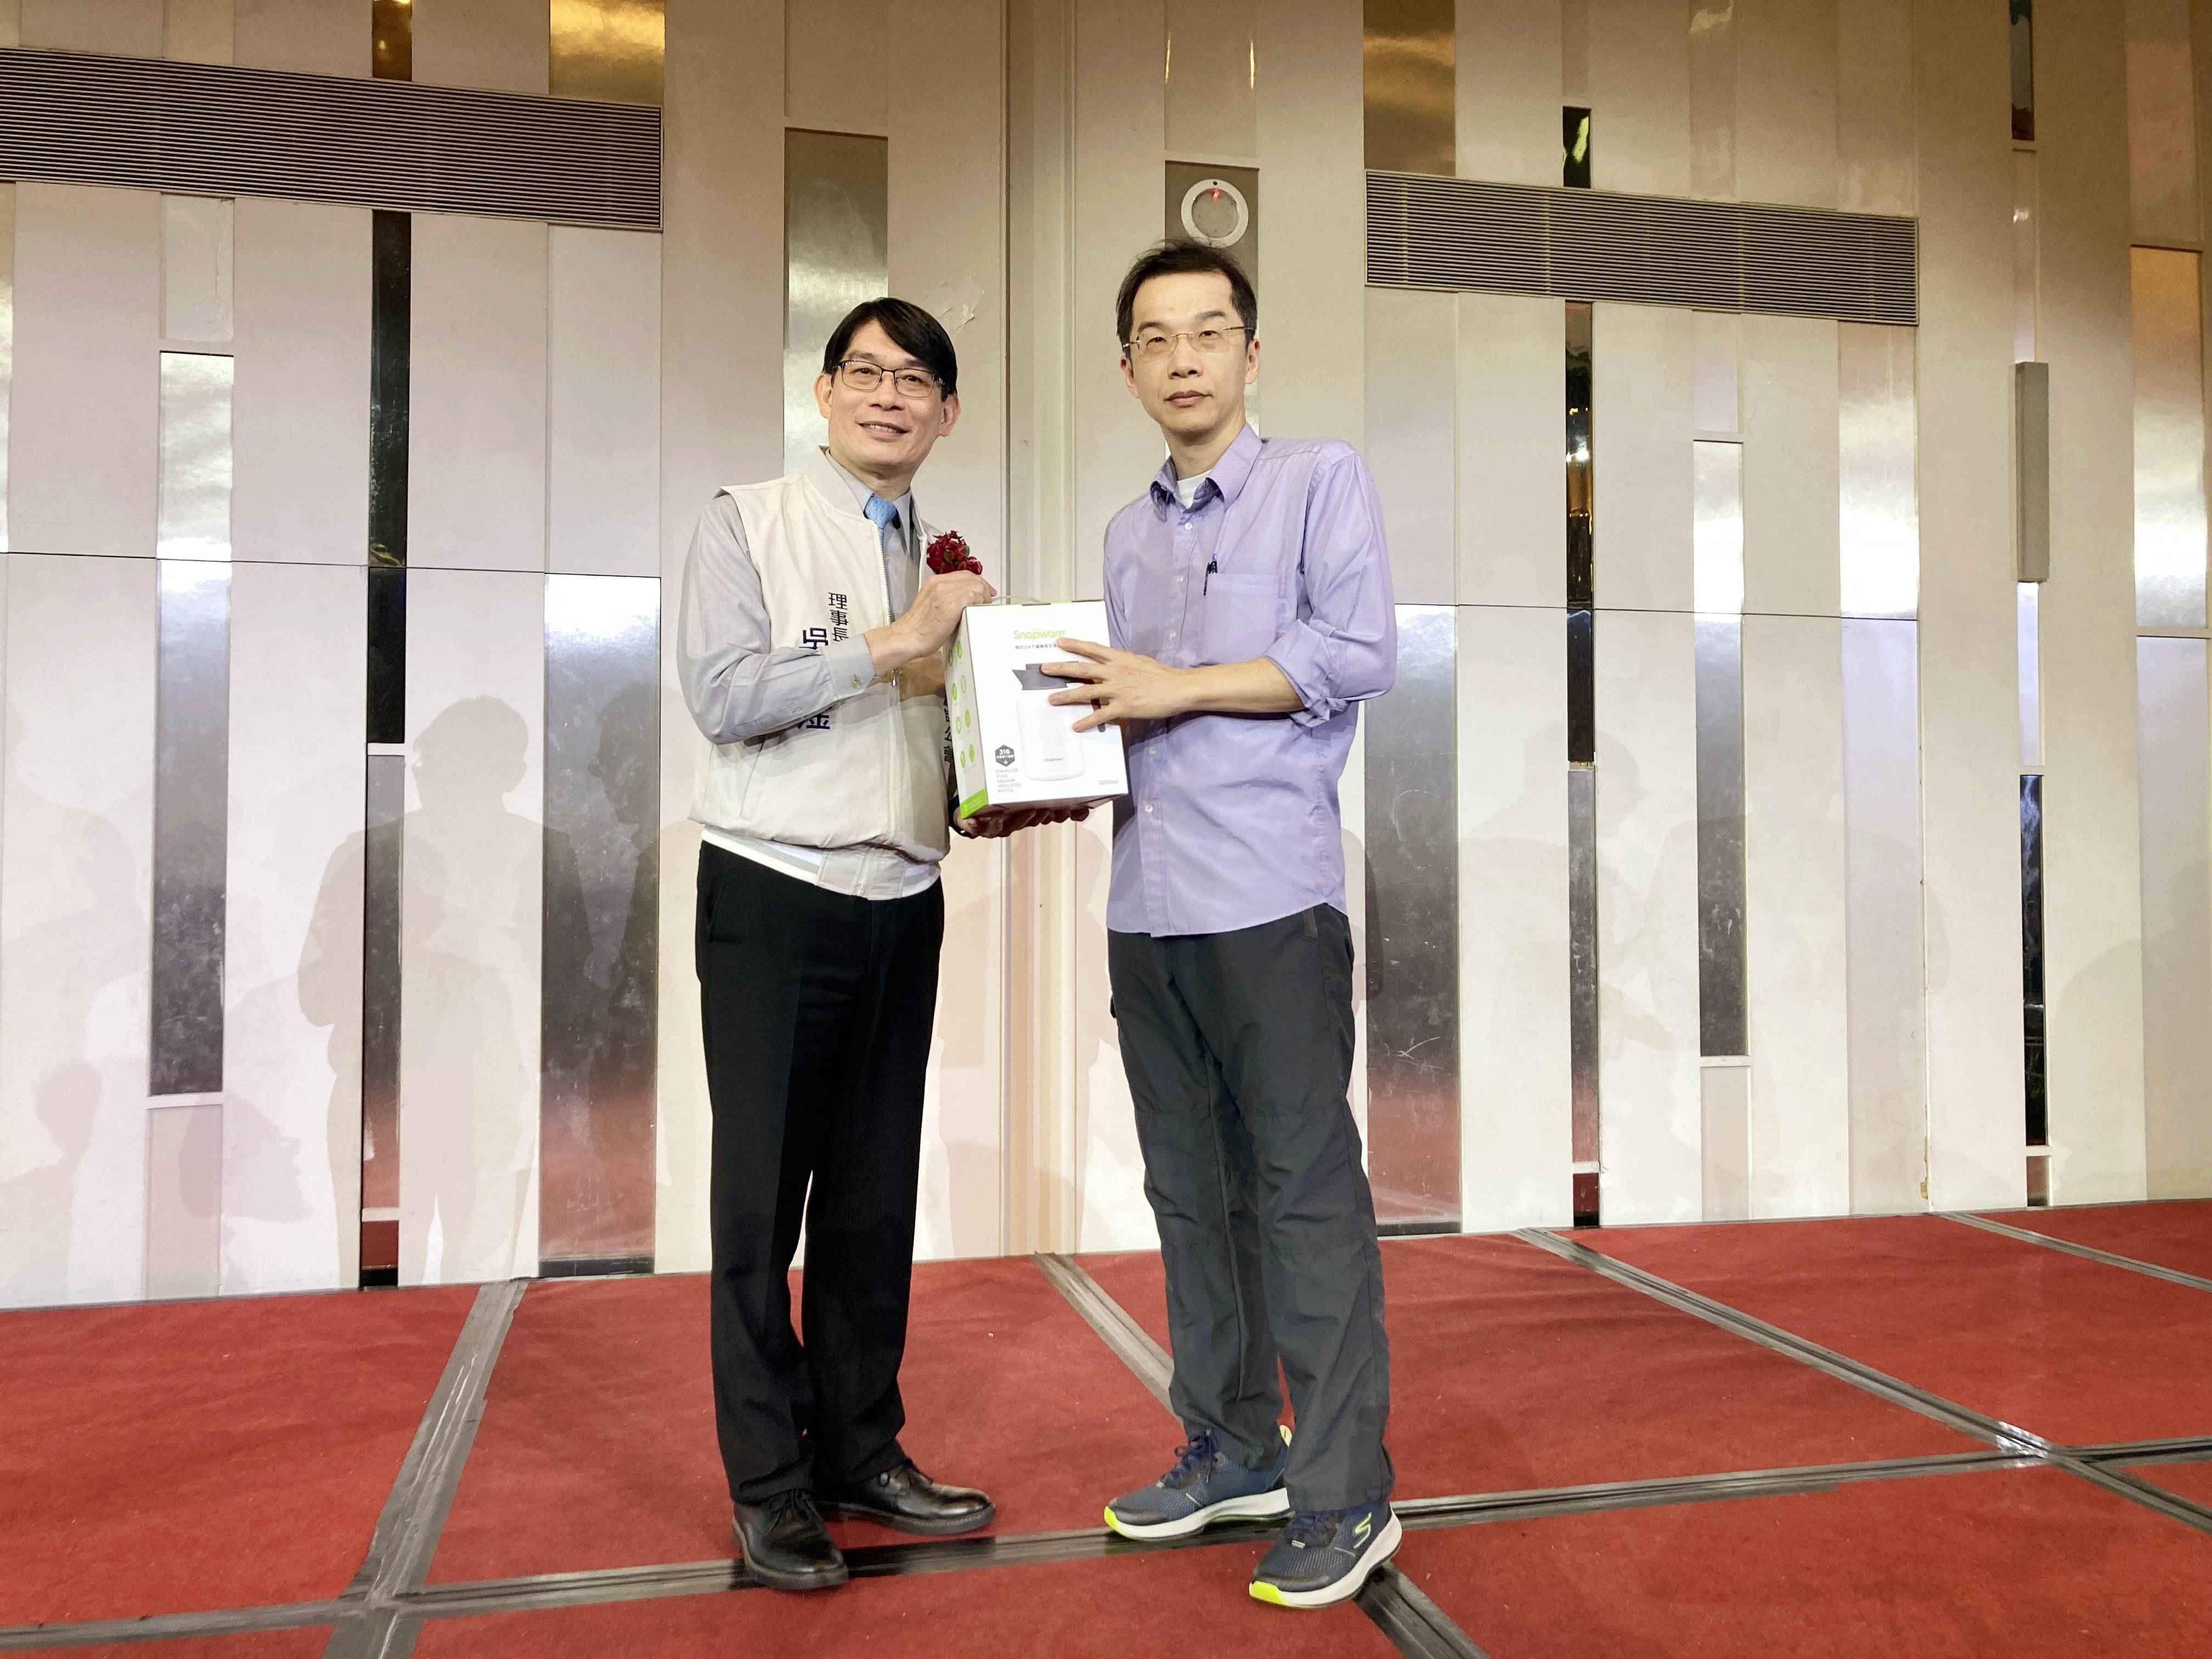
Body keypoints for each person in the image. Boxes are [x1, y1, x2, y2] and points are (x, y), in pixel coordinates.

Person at [678, 296, 1071, 1592]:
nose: (889, 396)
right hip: (774, 892)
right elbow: (724, 696)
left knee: (869, 1201)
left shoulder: (948, 561)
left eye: (916, 380)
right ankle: (769, 1485)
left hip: (904, 898)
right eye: (866, 372)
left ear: (948, 413)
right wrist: (901, 641)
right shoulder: (748, 522)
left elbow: (940, 727)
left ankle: (859, 1450)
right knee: (759, 1207)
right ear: (826, 393)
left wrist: (999, 780)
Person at [1045, 241, 1400, 1609]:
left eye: (1208, 333)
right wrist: (1035, 776)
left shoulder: (1319, 481)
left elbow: (1358, 651)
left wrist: (1173, 686)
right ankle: (1235, 1446)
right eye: (1156, 338)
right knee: (1190, 1191)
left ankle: (1346, 1493)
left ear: (1251, 355)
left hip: (1271, 900)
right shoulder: (1124, 537)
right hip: (1148, 905)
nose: (1182, 358)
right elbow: (1119, 713)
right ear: (1127, 368)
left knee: (1304, 1195)